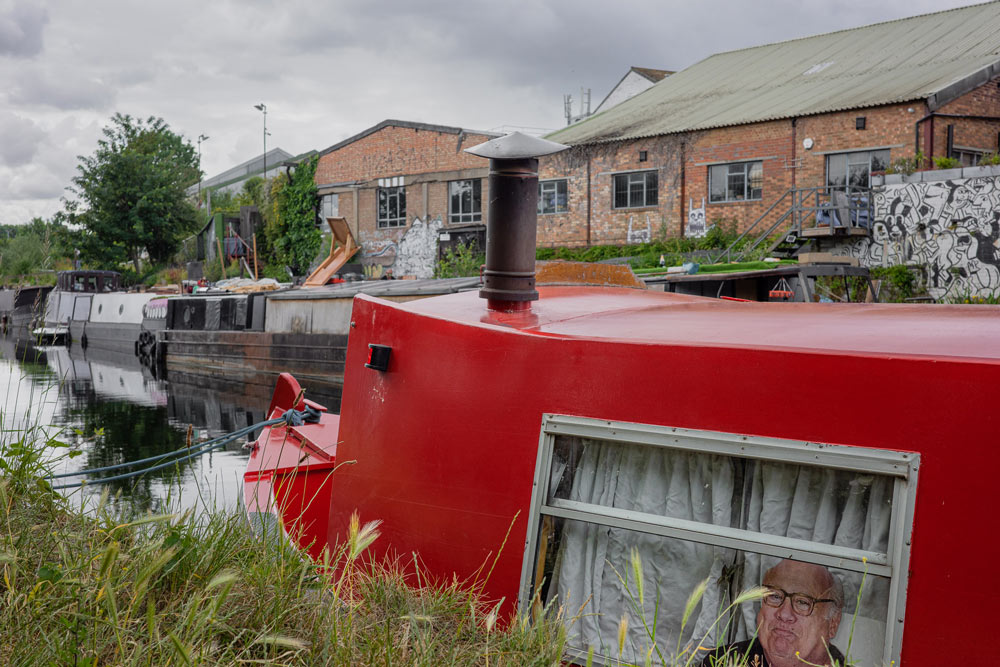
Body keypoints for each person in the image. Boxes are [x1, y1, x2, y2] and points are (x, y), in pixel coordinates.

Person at [702, 560, 845, 667]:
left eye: (803, 602)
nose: (784, 614)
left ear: (833, 623)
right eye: (775, 596)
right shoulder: (721, 661)